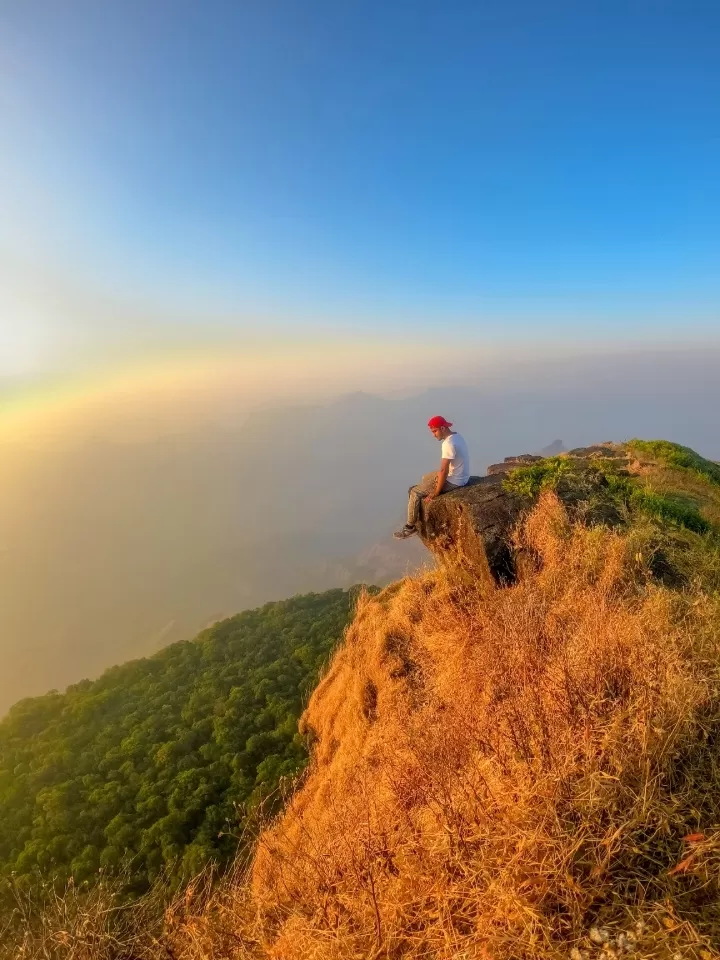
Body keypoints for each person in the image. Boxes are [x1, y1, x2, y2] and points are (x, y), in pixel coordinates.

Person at [393, 416, 470, 539]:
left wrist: (436, 492)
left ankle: (410, 527)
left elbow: (443, 470)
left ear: (443, 428)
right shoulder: (457, 436)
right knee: (425, 478)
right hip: (462, 477)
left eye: (435, 431)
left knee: (415, 492)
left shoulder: (448, 444)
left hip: (454, 481)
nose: (433, 435)